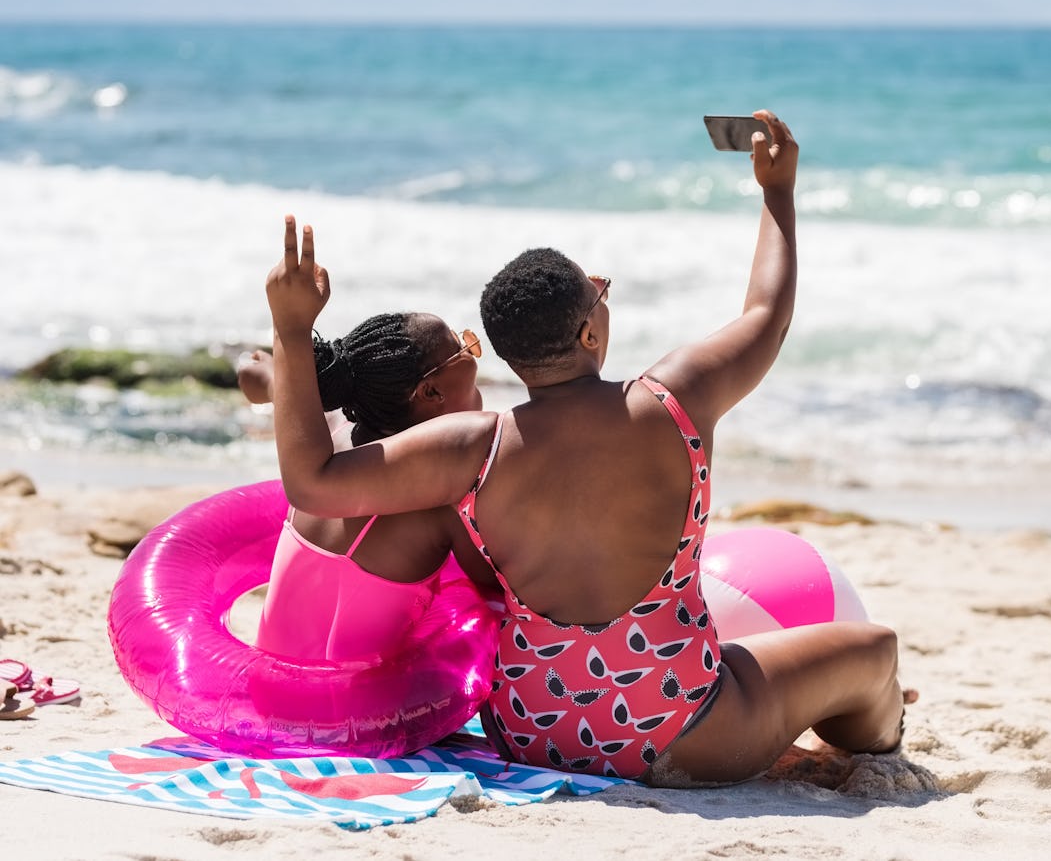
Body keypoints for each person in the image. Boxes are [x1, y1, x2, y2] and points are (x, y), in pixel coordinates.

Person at [265, 110, 910, 785]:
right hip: (682, 731)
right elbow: (765, 317)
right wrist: (777, 192)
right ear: (590, 337)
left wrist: (290, 332)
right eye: (597, 293)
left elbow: (312, 480)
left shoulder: (469, 447)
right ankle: (885, 736)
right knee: (875, 650)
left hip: (529, 732)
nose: (603, 297)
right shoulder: (676, 398)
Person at [241, 312, 499, 661]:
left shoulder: (326, 439)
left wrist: (268, 370)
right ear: (430, 390)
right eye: (462, 347)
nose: (473, 350)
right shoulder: (441, 500)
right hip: (355, 709)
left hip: (273, 688)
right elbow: (495, 585)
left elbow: (256, 375)